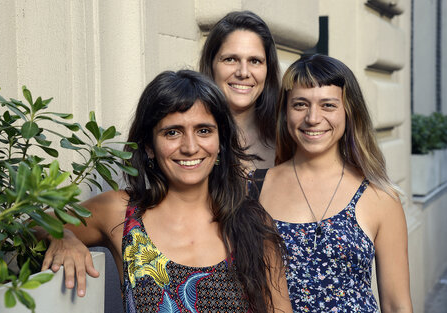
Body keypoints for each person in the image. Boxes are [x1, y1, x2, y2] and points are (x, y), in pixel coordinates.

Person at [41, 70, 293, 313]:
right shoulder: (122, 213)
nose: (190, 147)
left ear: (220, 142)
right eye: (172, 132)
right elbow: (32, 223)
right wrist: (64, 237)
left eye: (204, 131)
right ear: (149, 146)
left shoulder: (251, 222)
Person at [252, 54, 412, 312]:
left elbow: (397, 304)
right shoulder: (256, 187)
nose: (313, 118)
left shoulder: (379, 196)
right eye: (300, 104)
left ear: (349, 111)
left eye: (328, 105)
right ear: (285, 112)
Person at [199, 11, 280, 170]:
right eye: (230, 59)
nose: (243, 72)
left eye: (255, 61)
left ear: (267, 70)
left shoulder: (288, 139)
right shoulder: (191, 139)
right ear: (211, 64)